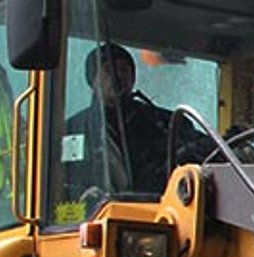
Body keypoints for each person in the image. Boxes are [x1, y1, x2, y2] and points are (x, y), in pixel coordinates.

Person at [66, 42, 209, 198]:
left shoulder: (165, 122)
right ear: (92, 79)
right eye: (108, 70)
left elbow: (204, 149)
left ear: (133, 77)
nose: (117, 75)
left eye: (124, 70)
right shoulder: (73, 129)